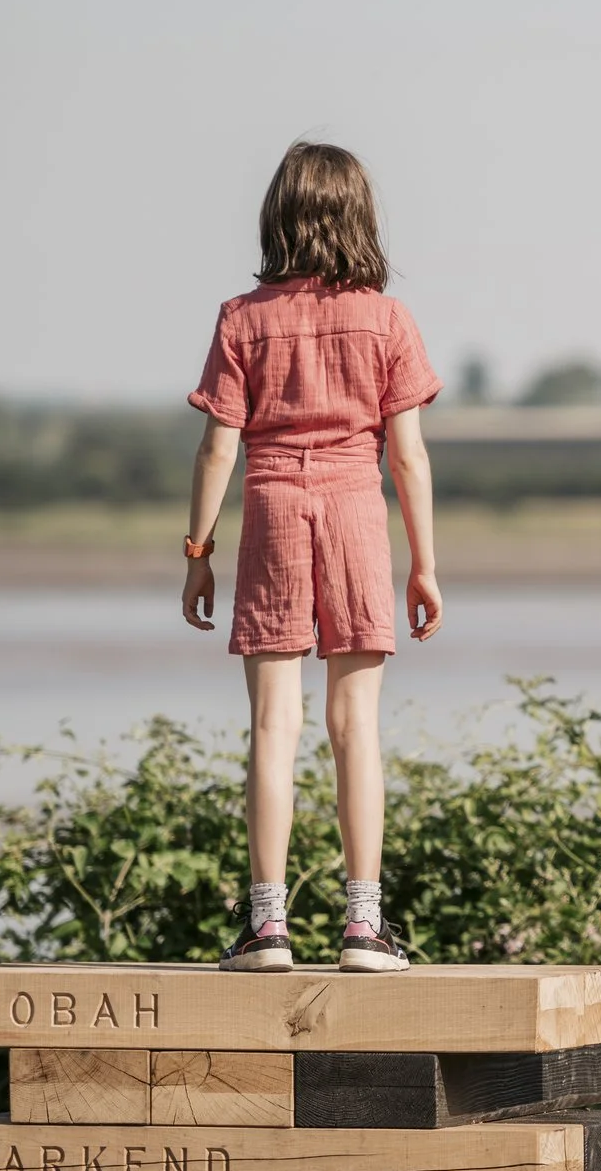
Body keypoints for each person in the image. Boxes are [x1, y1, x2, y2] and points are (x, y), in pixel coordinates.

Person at [179, 142, 442, 973]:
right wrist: (424, 565)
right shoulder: (388, 319)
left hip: (272, 511)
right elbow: (408, 457)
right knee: (354, 725)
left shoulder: (241, 318)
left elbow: (218, 448)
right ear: (358, 217)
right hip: (358, 511)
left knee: (272, 725)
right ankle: (363, 927)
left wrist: (197, 551)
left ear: (277, 217)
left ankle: (268, 929)